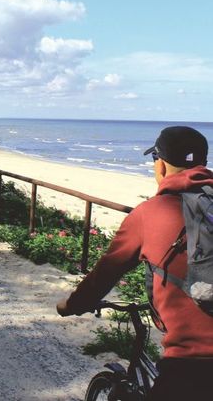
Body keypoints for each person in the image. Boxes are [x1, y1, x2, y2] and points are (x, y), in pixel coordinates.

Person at [56, 126, 213, 400]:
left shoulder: (150, 213)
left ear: (160, 165)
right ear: (204, 165)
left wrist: (72, 305)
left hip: (192, 362)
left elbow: (105, 274)